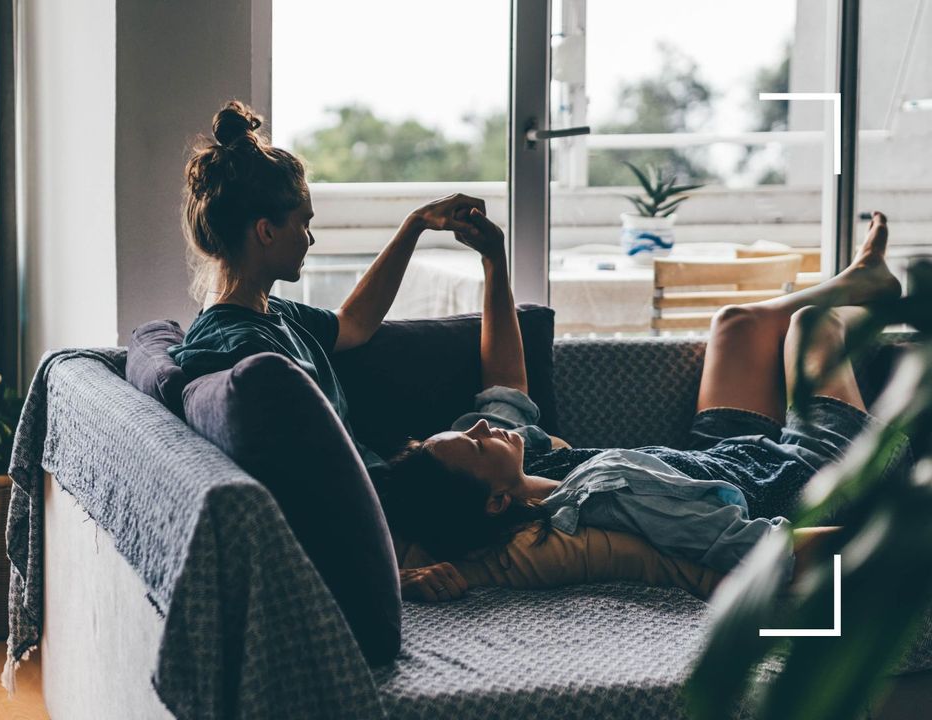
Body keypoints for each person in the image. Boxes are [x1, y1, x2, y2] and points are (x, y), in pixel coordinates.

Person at [383, 211, 908, 602]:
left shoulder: (523, 459)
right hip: (802, 475)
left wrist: (493, 260)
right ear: (496, 503)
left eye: (467, 429)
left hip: (715, 454)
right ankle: (859, 294)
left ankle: (862, 281)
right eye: (475, 442)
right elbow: (764, 548)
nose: (479, 425)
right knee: (810, 324)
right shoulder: (604, 505)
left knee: (736, 323)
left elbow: (503, 384)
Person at [168, 100, 490, 468]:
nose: (311, 238)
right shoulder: (244, 350)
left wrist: (416, 224)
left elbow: (353, 323)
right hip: (383, 503)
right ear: (266, 231)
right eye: (304, 224)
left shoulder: (271, 314)